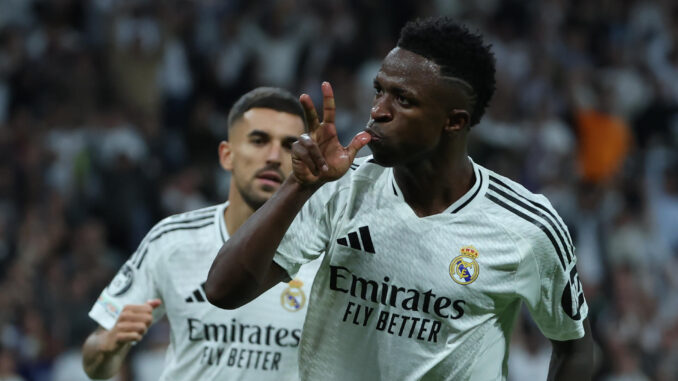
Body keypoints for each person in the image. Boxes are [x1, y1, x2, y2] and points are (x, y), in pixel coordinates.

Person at [205, 17, 593, 380]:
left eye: (403, 100)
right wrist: (298, 186)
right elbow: (223, 291)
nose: (377, 111)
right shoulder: (338, 188)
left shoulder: (527, 225)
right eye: (379, 91)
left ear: (454, 121)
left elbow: (574, 347)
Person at [82, 87, 320, 380]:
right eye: (259, 141)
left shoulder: (321, 251)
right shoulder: (172, 241)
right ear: (227, 155)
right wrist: (109, 345)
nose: (273, 156)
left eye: (288, 145)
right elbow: (94, 365)